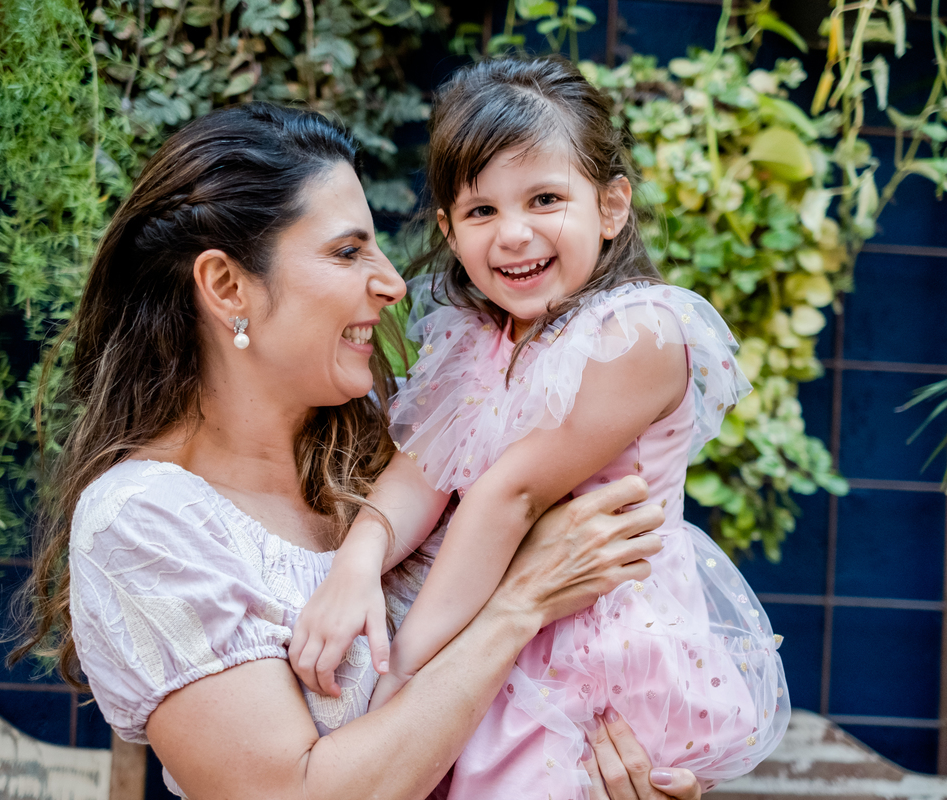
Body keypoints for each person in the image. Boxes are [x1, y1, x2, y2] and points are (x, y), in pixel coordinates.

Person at [12, 101, 712, 800]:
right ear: (228, 286)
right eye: (348, 252)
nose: (394, 283)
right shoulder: (147, 521)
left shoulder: (386, 444)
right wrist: (520, 604)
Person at [288, 57, 790, 800]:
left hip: (589, 650)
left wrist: (399, 677)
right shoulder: (476, 338)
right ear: (448, 229)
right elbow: (422, 472)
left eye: (545, 199)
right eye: (481, 211)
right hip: (486, 624)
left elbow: (509, 496)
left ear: (611, 206)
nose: (514, 234)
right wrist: (356, 563)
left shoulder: (637, 334)